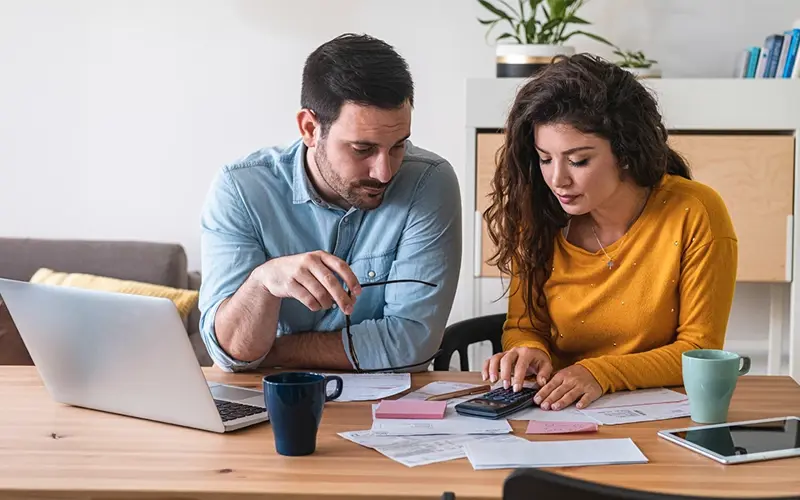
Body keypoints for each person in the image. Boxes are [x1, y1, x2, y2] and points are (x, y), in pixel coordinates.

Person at [481, 54, 737, 411]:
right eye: (545, 158)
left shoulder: (695, 212)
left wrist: (599, 373)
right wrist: (529, 351)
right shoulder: (537, 215)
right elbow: (525, 326)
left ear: (625, 152)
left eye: (579, 160)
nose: (557, 179)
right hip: (555, 410)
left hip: (656, 416)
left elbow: (697, 349)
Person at [198, 33, 461, 373]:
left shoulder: (429, 182)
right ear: (309, 128)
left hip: (385, 412)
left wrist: (274, 352)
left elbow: (412, 343)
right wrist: (263, 282)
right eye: (362, 149)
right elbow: (230, 351)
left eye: (398, 146)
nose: (384, 172)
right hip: (267, 403)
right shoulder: (240, 190)